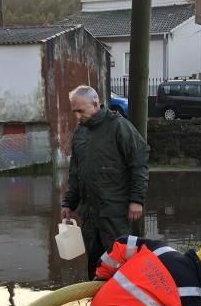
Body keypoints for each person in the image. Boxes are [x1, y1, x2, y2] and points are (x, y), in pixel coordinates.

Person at [61, 85, 150, 279]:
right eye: (74, 111)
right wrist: (69, 202)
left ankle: (125, 303)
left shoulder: (119, 126)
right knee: (95, 265)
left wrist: (137, 200)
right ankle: (96, 303)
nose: (77, 116)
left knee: (121, 265)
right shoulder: (81, 134)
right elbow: (76, 172)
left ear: (94, 104)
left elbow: (139, 163)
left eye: (80, 111)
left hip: (116, 213)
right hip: (90, 215)